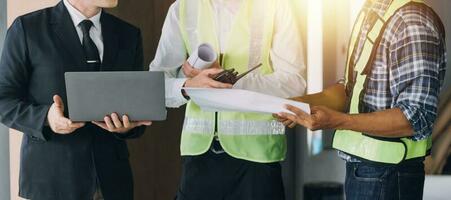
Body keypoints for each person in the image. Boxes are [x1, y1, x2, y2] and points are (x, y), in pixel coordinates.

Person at [276, 0, 446, 199]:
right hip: (364, 170)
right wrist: (299, 104)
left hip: (390, 176)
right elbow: (351, 89)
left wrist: (338, 121)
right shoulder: (372, 11)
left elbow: (416, 118)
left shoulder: (412, 21)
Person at [149, 0, 306, 199]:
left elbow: (294, 82)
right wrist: (188, 86)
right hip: (198, 157)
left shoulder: (275, 7)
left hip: (257, 159)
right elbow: (156, 86)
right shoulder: (183, 7)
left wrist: (229, 82)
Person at [0, 0, 152, 199]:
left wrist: (127, 127)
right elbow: (4, 99)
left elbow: (136, 106)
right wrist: (47, 118)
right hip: (52, 180)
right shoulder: (28, 29)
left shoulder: (128, 34)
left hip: (113, 182)